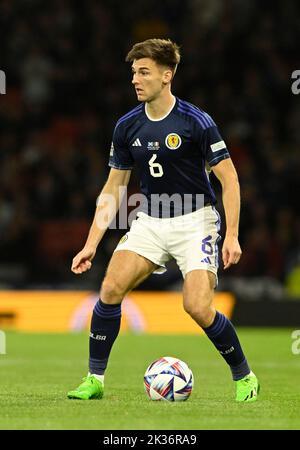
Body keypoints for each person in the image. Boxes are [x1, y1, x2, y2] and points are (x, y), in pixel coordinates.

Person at [67, 38, 259, 402]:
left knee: (197, 307)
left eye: (144, 72)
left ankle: (244, 376)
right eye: (133, 73)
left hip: (195, 221)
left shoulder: (196, 122)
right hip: (150, 221)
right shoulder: (127, 127)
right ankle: (94, 379)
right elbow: (113, 188)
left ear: (166, 76)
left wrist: (231, 235)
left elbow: (229, 178)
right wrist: (90, 243)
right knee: (109, 289)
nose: (135, 80)